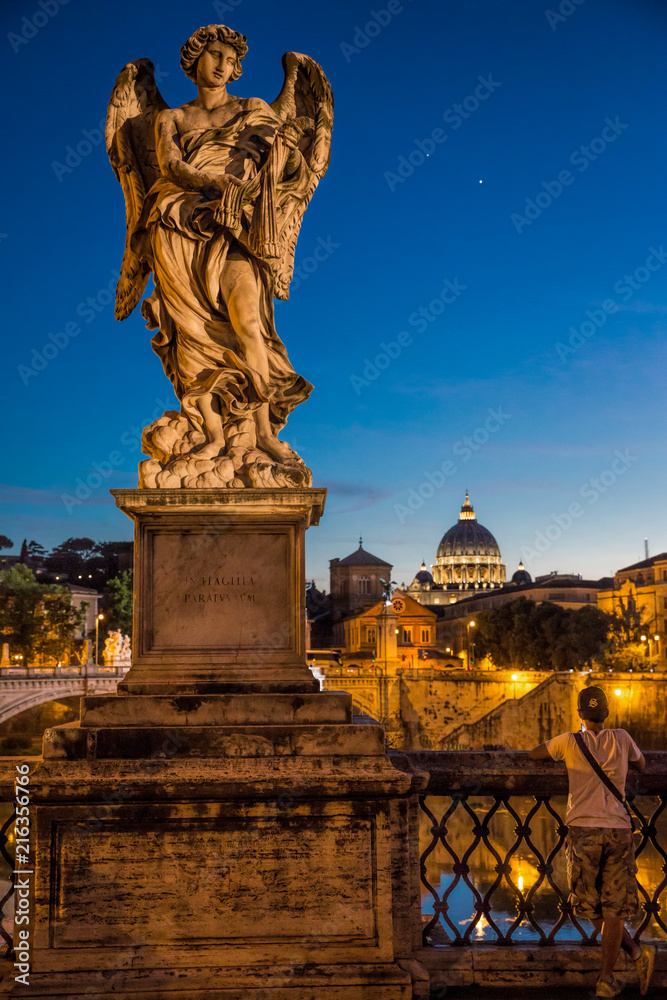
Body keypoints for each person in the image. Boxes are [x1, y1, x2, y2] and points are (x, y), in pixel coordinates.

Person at [529, 686, 655, 997]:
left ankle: (616, 971)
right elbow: (642, 765)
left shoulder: (569, 741)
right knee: (614, 908)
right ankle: (617, 970)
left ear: (580, 715)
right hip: (618, 830)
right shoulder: (623, 738)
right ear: (607, 714)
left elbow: (535, 753)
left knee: (588, 906)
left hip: (582, 831)